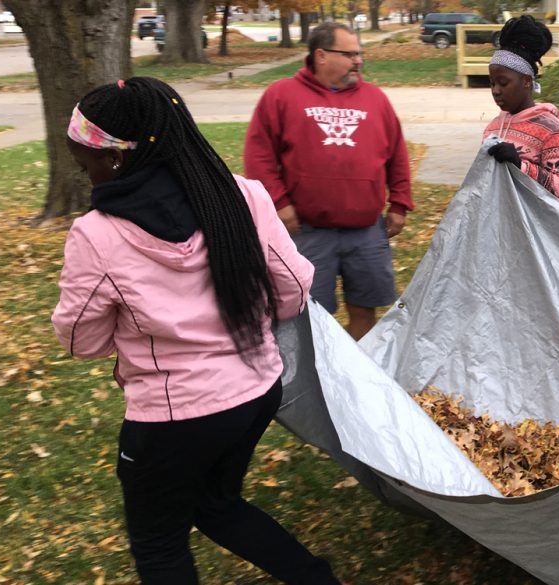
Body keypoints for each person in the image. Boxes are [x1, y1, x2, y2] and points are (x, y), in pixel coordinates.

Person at [51, 77, 343, 584]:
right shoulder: (244, 196)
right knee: (216, 504)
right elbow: (294, 286)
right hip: (256, 393)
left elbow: (80, 339)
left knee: (159, 544)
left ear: (117, 159)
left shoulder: (96, 236)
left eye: (86, 163)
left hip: (173, 418)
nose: (86, 176)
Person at [244, 21, 413, 340]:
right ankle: (315, 383)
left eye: (359, 53)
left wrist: (400, 203)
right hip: (308, 232)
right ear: (321, 55)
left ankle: (358, 378)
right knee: (306, 312)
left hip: (366, 232)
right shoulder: (281, 95)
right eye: (349, 54)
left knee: (365, 308)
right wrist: (279, 203)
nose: (358, 60)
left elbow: (397, 154)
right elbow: (259, 156)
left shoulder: (375, 99)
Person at [483, 15, 559, 203]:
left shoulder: (552, 130)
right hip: (499, 227)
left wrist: (521, 165)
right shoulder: (492, 129)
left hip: (536, 230)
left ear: (526, 81)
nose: (495, 91)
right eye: (492, 83)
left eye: (503, 83)